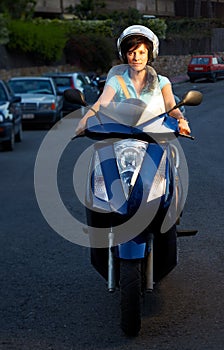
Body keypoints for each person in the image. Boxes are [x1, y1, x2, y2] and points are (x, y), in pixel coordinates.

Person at [75, 25, 190, 135]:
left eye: (141, 53)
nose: (136, 58)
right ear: (125, 55)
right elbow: (101, 104)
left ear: (149, 55)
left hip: (154, 136)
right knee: (99, 153)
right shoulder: (116, 81)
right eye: (131, 53)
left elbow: (171, 106)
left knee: (170, 152)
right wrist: (84, 121)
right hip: (121, 136)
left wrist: (181, 120)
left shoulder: (161, 82)